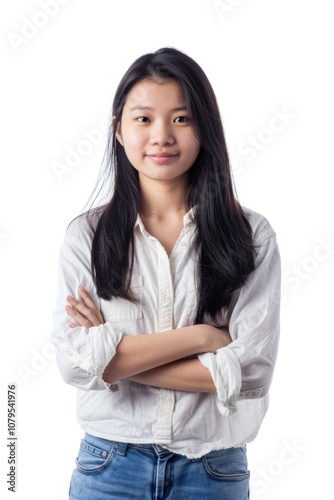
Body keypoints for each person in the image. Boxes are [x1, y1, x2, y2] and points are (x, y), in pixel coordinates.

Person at [51, 47, 281, 500]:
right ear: (118, 129)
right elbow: (74, 363)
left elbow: (251, 371)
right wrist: (202, 339)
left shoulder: (251, 235)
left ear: (205, 128)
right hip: (108, 468)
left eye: (180, 118)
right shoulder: (86, 236)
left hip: (213, 471)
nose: (161, 136)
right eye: (143, 119)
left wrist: (115, 359)